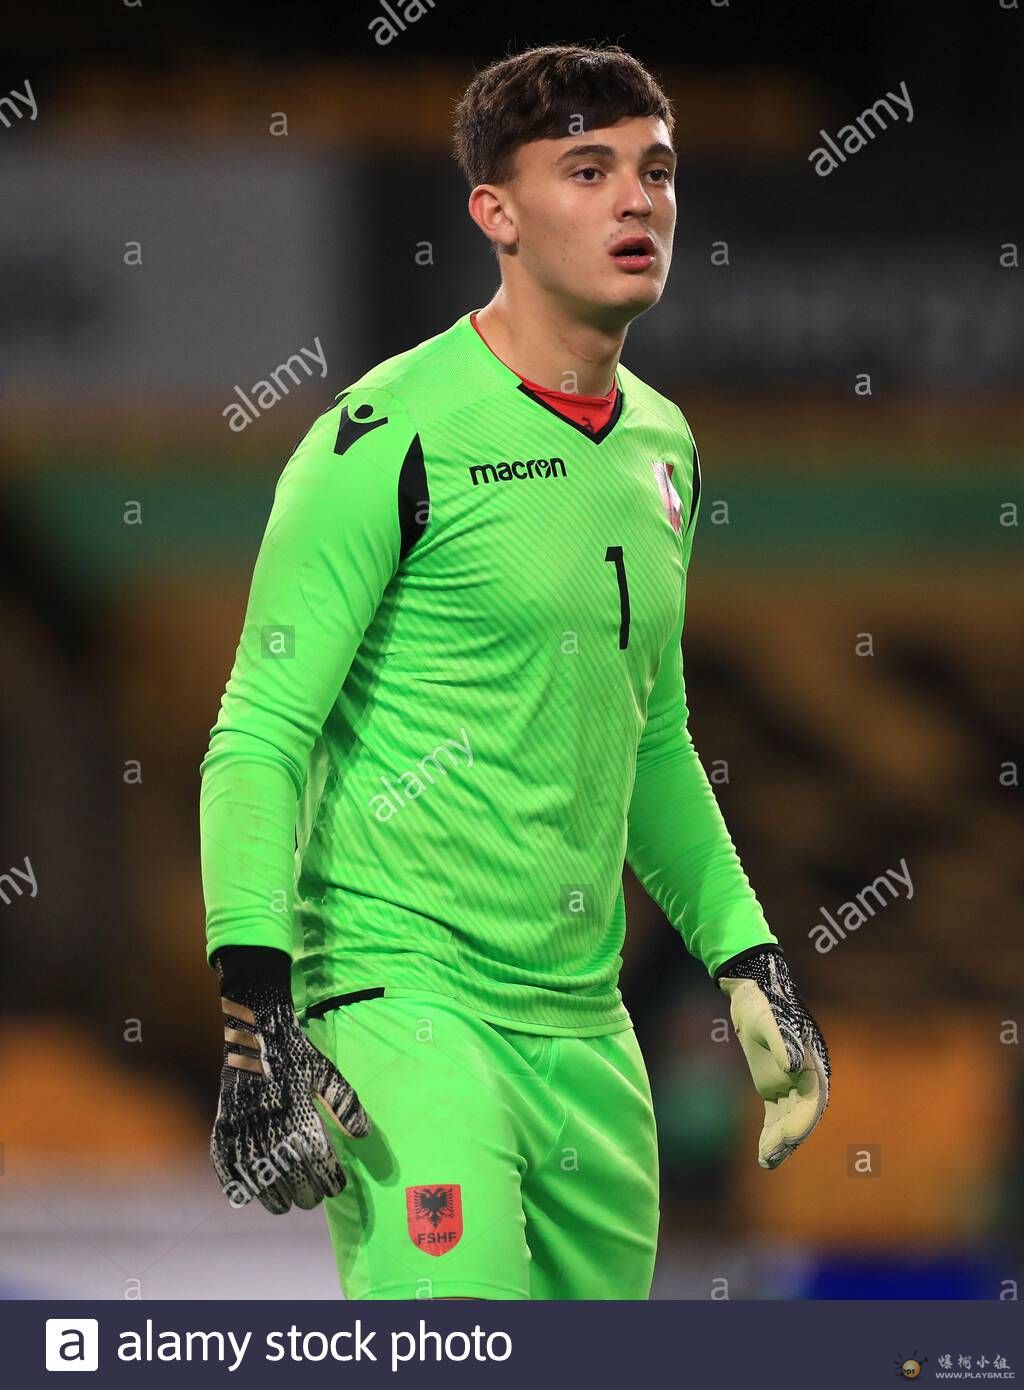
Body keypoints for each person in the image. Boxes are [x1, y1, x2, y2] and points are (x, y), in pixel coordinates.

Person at [199, 41, 831, 1302]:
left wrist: (747, 955)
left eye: (654, 171)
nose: (636, 201)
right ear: (496, 213)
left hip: (587, 1030)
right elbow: (256, 734)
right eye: (587, 172)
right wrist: (252, 1015)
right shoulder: (383, 438)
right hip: (399, 995)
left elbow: (651, 735)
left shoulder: (664, 444)